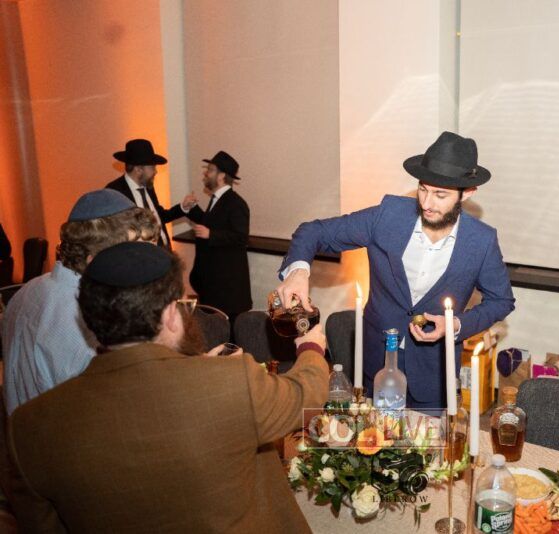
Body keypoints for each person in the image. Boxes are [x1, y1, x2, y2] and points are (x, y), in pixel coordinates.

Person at [7, 241, 328, 533]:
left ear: (90, 319)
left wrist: (198, 368)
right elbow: (305, 395)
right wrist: (310, 346)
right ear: (171, 316)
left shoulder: (27, 427)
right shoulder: (232, 382)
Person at [277, 131, 515, 408]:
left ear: (468, 193)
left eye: (440, 195)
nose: (427, 203)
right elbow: (313, 232)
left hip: (433, 374)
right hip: (375, 361)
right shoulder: (388, 215)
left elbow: (501, 300)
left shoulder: (482, 241)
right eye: (423, 189)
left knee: (428, 437)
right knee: (371, 434)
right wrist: (298, 272)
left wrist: (457, 325)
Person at [2, 190, 158, 414]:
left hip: (21, 430)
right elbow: (115, 410)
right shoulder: (92, 323)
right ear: (95, 260)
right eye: (133, 254)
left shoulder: (27, 290)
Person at [182, 151, 252, 322]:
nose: (206, 173)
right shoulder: (218, 200)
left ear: (221, 176)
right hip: (213, 284)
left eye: (210, 170)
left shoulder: (236, 203)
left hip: (226, 288)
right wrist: (190, 209)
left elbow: (240, 237)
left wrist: (211, 234)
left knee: (227, 331)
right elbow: (210, 224)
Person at [105, 138, 186, 248]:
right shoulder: (114, 192)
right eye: (153, 167)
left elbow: (158, 216)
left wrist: (183, 208)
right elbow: (114, 233)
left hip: (164, 251)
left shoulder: (148, 186)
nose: (156, 171)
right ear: (138, 170)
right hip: (139, 255)